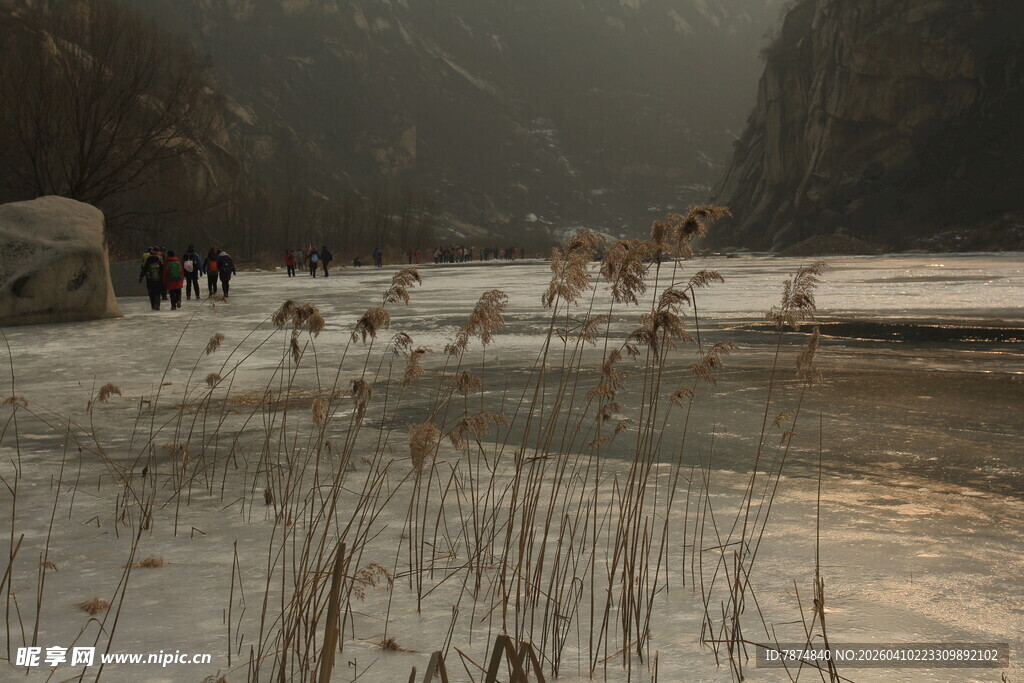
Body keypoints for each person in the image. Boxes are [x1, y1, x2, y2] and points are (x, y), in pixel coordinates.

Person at [138, 246, 164, 311]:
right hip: (158, 279)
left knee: (151, 292)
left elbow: (144, 268)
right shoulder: (159, 259)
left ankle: (153, 306)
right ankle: (157, 305)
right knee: (157, 293)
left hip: (150, 279)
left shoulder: (148, 259)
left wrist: (141, 277)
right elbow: (162, 269)